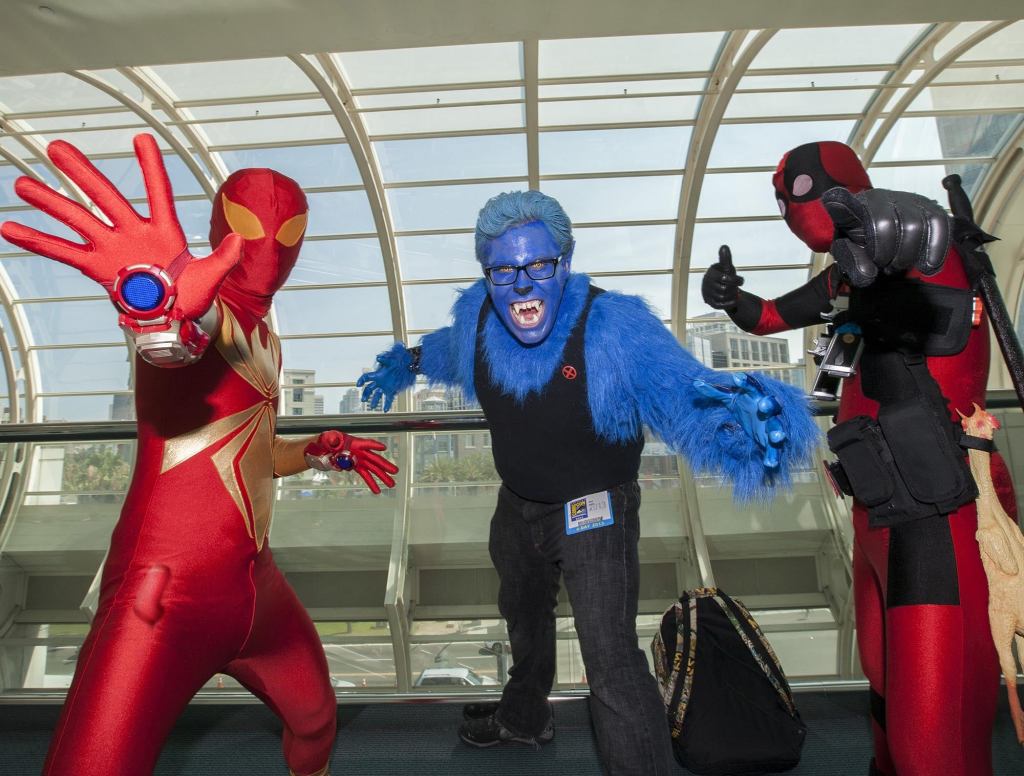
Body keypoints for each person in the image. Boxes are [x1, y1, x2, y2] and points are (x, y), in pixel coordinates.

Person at [356, 190, 818, 775]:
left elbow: (684, 389)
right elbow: (451, 351)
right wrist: (408, 360)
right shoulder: (478, 317)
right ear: (487, 275)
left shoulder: (614, 327)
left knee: (611, 659)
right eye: (504, 271)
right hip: (517, 505)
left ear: (565, 264)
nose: (522, 285)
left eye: (538, 266)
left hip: (595, 509)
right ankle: (524, 719)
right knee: (523, 617)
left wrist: (743, 420)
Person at [0, 134, 399, 776]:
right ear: (221, 230)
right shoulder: (208, 309)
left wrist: (322, 453)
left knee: (317, 721)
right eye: (248, 226)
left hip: (255, 587)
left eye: (289, 231)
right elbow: (177, 339)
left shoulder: (267, 336)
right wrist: (157, 303)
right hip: (160, 598)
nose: (271, 247)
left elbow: (249, 454)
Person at [701, 140, 1018, 776]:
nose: (791, 206)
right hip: (875, 511)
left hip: (934, 515)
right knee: (884, 692)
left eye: (798, 189)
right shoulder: (853, 273)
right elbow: (770, 317)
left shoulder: (932, 253)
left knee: (929, 734)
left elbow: (919, 240)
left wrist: (895, 225)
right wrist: (732, 298)